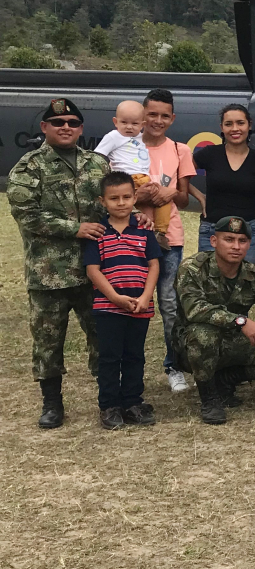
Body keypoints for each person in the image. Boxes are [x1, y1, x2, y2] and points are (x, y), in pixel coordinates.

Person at [9, 98, 108, 427]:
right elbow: (26, 215)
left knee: (102, 336)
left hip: (94, 271)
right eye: (58, 122)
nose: (66, 127)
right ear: (44, 128)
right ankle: (52, 403)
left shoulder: (98, 164)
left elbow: (113, 206)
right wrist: (75, 228)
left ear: (81, 129)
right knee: (48, 341)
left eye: (72, 123)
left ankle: (108, 399)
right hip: (48, 274)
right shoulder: (28, 167)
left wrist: (137, 220)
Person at [174, 215, 255, 425]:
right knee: (204, 335)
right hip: (192, 345)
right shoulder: (192, 269)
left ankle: (225, 381)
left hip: (233, 342)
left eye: (242, 241)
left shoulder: (253, 275)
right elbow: (194, 310)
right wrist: (240, 321)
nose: (236, 247)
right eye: (229, 239)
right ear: (214, 241)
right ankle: (209, 398)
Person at [82, 172, 161, 429]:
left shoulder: (144, 230)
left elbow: (153, 265)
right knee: (109, 357)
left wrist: (146, 296)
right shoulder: (98, 233)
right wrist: (115, 297)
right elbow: (93, 270)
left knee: (134, 355)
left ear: (135, 198)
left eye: (127, 197)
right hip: (108, 307)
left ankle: (132, 401)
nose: (121, 202)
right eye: (113, 198)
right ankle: (109, 405)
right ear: (102, 201)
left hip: (140, 305)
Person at [136, 88, 196, 394]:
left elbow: (185, 199)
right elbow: (110, 196)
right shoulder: (126, 146)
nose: (157, 120)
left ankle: (174, 366)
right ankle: (130, 367)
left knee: (170, 303)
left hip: (168, 238)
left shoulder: (179, 150)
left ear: (172, 119)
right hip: (131, 237)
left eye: (164, 116)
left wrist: (171, 192)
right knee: (132, 302)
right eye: (152, 114)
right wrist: (139, 196)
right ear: (142, 115)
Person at [195, 104, 255, 266]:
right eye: (229, 124)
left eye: (240, 123)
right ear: (221, 128)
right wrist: (200, 197)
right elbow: (180, 173)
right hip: (212, 231)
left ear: (249, 125)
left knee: (244, 289)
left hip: (249, 234)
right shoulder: (209, 154)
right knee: (209, 287)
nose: (235, 128)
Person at [95, 100, 169, 245]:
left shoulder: (142, 138)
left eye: (134, 124)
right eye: (124, 122)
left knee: (163, 199)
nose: (129, 127)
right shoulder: (113, 136)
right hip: (125, 179)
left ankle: (160, 233)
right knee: (127, 205)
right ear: (115, 122)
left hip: (144, 178)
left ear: (142, 125)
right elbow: (97, 157)